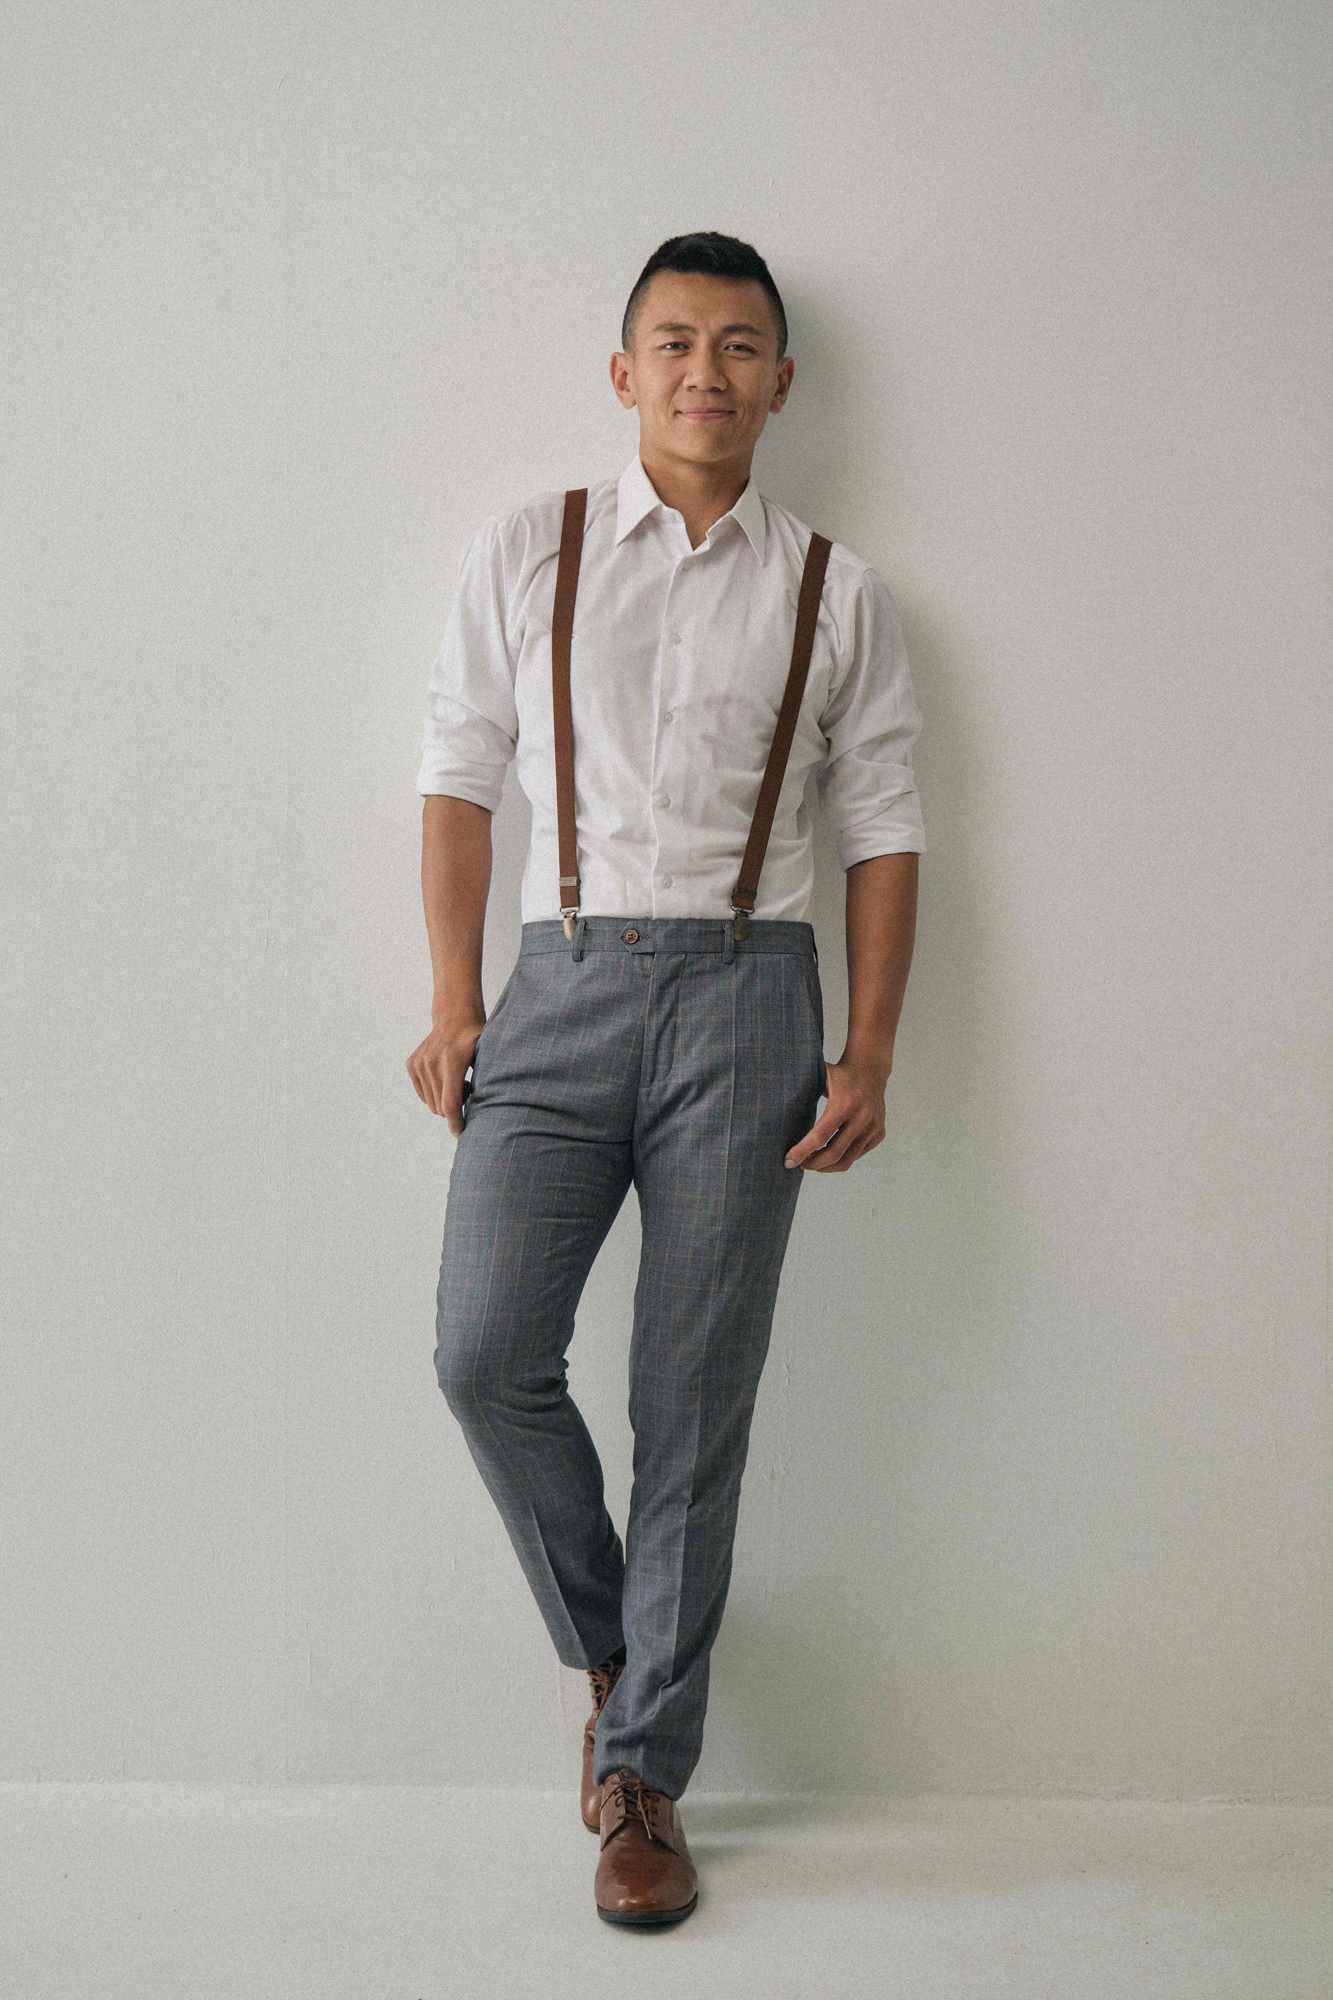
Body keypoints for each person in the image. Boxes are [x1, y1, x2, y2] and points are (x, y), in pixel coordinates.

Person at [406, 231, 924, 1927]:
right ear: (624, 372)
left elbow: (884, 824)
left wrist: (867, 1045)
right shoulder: (525, 551)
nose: (708, 370)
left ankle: (640, 1780)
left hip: (750, 999)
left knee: (693, 1406)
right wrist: (455, 1000)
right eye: (677, 341)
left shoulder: (838, 590)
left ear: (782, 382)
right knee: (484, 1353)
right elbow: (459, 776)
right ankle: (622, 1651)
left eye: (740, 345)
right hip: (553, 993)